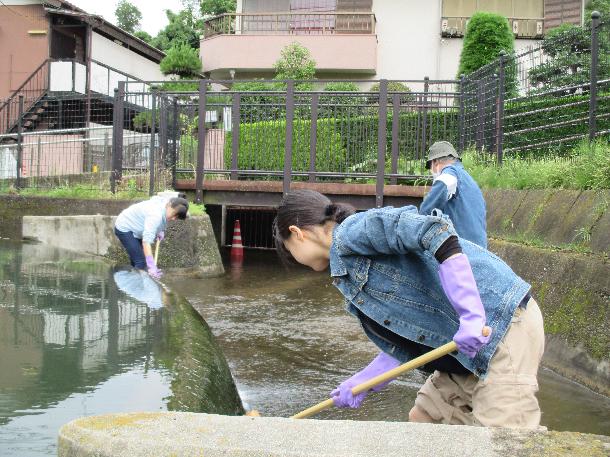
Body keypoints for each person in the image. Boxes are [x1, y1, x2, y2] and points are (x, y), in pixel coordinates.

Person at [273, 189, 544, 429]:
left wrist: (471, 314)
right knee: (424, 419)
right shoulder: (347, 274)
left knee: (501, 440)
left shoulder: (352, 231)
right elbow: (408, 340)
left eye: (288, 250)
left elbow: (436, 232)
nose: (294, 260)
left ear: (297, 234)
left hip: (502, 327)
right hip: (466, 354)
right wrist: (363, 381)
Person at [419, 141, 487, 248]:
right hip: (481, 249)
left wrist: (418, 221)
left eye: (430, 166)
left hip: (463, 249)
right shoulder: (470, 181)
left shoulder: (450, 172)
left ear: (435, 162)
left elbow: (426, 212)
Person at [114, 196, 189, 278]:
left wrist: (160, 230)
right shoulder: (155, 215)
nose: (174, 218)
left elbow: (166, 217)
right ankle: (137, 286)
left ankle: (135, 281)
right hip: (125, 227)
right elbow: (146, 242)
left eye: (177, 217)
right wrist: (151, 265)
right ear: (169, 205)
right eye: (173, 215)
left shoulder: (168, 204)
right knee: (141, 262)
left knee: (137, 259)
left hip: (137, 227)